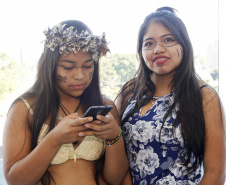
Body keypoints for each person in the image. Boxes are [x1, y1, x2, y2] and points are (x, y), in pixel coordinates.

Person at [3, 20, 128, 185]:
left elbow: (116, 179)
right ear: (50, 65)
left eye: (88, 66)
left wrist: (114, 137)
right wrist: (54, 139)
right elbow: (16, 180)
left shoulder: (105, 107)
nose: (80, 76)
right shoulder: (25, 108)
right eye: (68, 67)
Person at [116, 7, 225, 185]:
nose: (158, 49)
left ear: (183, 44)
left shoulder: (205, 96)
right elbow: (117, 157)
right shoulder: (129, 91)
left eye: (168, 40)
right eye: (149, 43)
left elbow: (216, 173)